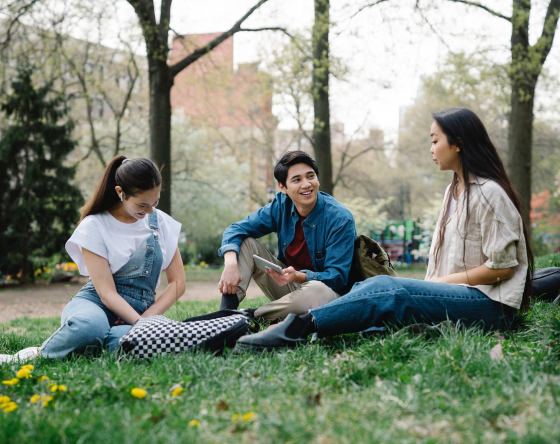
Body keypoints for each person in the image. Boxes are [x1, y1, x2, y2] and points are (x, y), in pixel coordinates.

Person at [235, 108, 534, 352]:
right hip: (455, 294)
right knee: (368, 288)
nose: (431, 148)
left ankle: (296, 329)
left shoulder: (489, 194)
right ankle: (292, 323)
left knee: (387, 289)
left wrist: (442, 282)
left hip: (490, 306)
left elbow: (502, 269)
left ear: (458, 142)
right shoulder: (453, 191)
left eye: (434, 140)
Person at [39, 156, 185, 359]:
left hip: (141, 312)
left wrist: (145, 321)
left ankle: (90, 347)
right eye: (142, 205)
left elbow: (178, 283)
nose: (151, 210)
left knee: (128, 341)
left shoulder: (161, 222)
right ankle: (39, 354)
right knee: (91, 327)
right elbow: (107, 294)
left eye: (155, 202)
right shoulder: (94, 226)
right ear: (120, 192)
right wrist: (141, 325)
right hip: (96, 305)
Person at [218, 151, 356, 320]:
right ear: (283, 187)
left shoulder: (340, 219)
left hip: (327, 297)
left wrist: (300, 276)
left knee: (316, 290)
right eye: (297, 180)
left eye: (310, 176)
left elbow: (337, 278)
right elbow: (236, 229)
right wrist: (230, 264)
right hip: (289, 288)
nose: (306, 184)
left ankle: (250, 316)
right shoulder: (281, 205)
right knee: (245, 243)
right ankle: (223, 316)